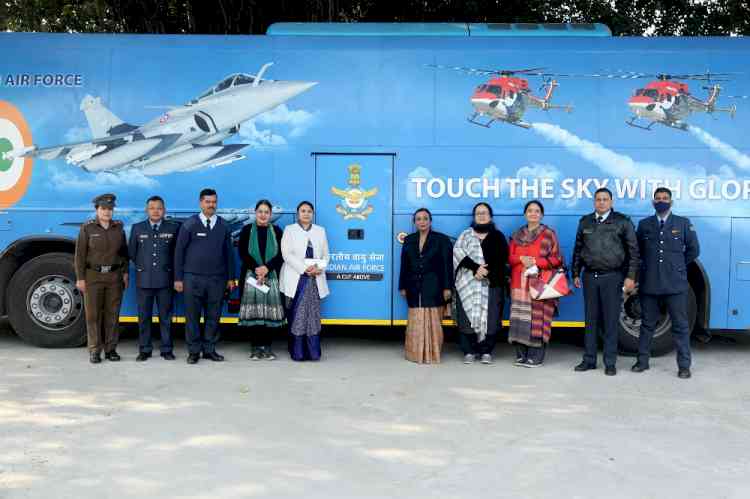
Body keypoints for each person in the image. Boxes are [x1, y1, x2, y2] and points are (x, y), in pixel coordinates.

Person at [633, 187, 700, 379]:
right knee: (647, 324)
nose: (661, 201)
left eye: (665, 198)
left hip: (675, 284)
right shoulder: (644, 224)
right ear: (653, 202)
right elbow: (638, 251)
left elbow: (694, 250)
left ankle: (684, 366)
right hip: (650, 283)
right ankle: (642, 361)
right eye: (658, 198)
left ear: (671, 202)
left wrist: (677, 266)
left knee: (680, 325)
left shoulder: (683, 223)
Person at [572, 187, 639, 376]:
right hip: (590, 277)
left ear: (611, 202)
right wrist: (575, 273)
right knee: (590, 321)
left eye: (605, 199)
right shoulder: (585, 221)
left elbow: (634, 252)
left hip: (613, 277)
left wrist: (631, 276)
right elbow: (578, 249)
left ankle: (610, 362)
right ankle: (589, 360)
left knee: (610, 321)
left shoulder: (622, 221)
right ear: (594, 202)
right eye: (598, 199)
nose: (601, 202)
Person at [174, 188, 236, 364]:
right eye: (208, 202)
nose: (211, 205)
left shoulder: (224, 225)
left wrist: (231, 278)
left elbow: (229, 255)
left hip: (217, 279)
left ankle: (209, 349)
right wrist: (178, 278)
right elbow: (179, 252)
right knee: (192, 317)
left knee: (213, 316)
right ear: (201, 203)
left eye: (214, 202)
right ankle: (193, 351)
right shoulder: (189, 224)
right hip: (192, 279)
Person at [74, 193, 129, 364]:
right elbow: (79, 255)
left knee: (113, 314)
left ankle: (111, 349)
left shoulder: (118, 228)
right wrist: (80, 278)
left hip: (114, 277)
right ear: (97, 210)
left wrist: (125, 273)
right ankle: (94, 350)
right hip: (93, 277)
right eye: (103, 209)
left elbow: (124, 253)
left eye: (110, 209)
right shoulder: (87, 228)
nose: (107, 212)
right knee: (93, 315)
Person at [508, 200, 563, 367]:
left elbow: (557, 259)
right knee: (520, 319)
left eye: (537, 211)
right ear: (525, 214)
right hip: (519, 285)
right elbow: (510, 258)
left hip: (540, 285)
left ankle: (536, 356)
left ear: (542, 214)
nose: (533, 213)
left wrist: (536, 262)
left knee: (537, 320)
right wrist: (521, 259)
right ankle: (521, 354)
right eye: (530, 210)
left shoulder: (548, 234)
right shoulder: (517, 235)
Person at [453, 202, 509, 365]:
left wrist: (486, 272)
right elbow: (458, 254)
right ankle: (468, 351)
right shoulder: (466, 235)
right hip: (468, 283)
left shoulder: (497, 236)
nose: (481, 216)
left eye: (484, 213)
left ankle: (486, 351)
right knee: (466, 318)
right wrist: (476, 269)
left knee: (490, 317)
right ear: (474, 217)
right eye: (478, 213)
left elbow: (502, 258)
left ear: (490, 216)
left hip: (492, 283)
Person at [128, 195, 180, 362]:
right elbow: (133, 253)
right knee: (144, 317)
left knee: (165, 317)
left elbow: (176, 254)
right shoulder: (137, 228)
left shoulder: (173, 228)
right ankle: (145, 349)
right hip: (144, 280)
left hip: (165, 280)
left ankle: (166, 349)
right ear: (147, 210)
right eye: (152, 208)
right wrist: (144, 267)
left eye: (159, 208)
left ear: (164, 210)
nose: (156, 211)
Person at [398, 208, 453, 364]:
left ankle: (432, 354)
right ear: (414, 222)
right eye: (419, 219)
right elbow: (404, 265)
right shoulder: (409, 240)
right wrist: (402, 286)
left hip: (434, 286)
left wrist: (447, 287)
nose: (422, 221)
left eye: (425, 218)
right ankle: (415, 354)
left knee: (434, 322)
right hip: (413, 286)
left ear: (430, 221)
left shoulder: (441, 239)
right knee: (416, 319)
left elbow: (447, 265)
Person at [280, 201, 329, 361]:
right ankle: (297, 351)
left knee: (313, 316)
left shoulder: (320, 231)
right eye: (303, 211)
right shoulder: (290, 230)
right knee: (297, 315)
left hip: (315, 279)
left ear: (312, 214)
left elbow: (326, 255)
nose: (306, 214)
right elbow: (286, 254)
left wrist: (319, 267)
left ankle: (313, 352)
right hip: (297, 278)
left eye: (309, 211)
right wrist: (304, 269)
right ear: (298, 213)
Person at [238, 200, 286, 360]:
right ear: (255, 213)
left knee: (268, 314)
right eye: (260, 211)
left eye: (266, 212)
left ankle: (267, 347)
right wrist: (257, 269)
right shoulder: (246, 230)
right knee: (255, 313)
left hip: (271, 276)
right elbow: (243, 253)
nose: (263, 215)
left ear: (270, 214)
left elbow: (281, 255)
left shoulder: (277, 231)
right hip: (251, 276)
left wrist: (267, 268)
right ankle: (255, 347)